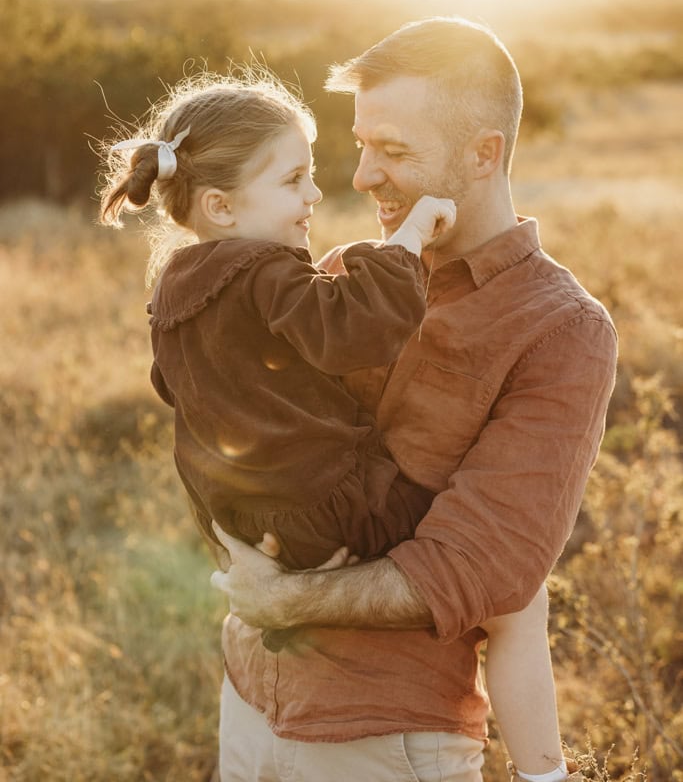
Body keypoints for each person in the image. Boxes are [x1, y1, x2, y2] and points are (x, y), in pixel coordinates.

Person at [97, 61, 597, 782]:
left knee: (519, 597)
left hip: (382, 740)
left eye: (391, 151)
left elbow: (481, 568)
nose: (358, 178)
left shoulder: (555, 327)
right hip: (247, 702)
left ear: (483, 154)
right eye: (358, 145)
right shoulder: (323, 272)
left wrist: (280, 596)